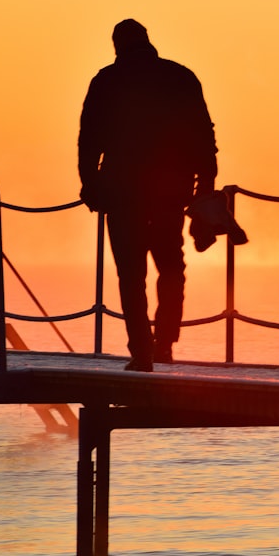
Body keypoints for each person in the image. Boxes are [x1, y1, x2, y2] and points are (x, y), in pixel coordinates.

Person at [78, 19, 218, 372]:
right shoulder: (181, 77)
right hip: (170, 191)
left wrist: (90, 184)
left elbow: (88, 139)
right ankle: (165, 343)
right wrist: (207, 185)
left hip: (122, 192)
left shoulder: (106, 81)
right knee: (171, 265)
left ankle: (141, 352)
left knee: (131, 274)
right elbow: (204, 134)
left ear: (117, 46)